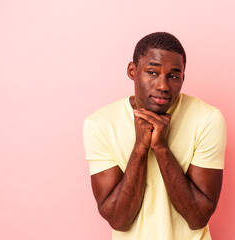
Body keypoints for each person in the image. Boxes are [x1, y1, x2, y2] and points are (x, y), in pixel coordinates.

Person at [83, 32, 227, 240]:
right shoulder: (100, 124)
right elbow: (118, 219)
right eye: (152, 72)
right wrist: (140, 148)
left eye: (174, 76)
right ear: (132, 71)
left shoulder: (207, 119)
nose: (163, 86)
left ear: (183, 78)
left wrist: (161, 148)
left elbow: (198, 217)